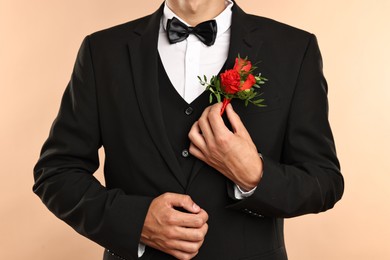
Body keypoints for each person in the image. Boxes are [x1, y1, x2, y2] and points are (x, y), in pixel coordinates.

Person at [33, 0, 344, 259]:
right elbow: (56, 172)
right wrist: (136, 222)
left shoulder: (294, 48)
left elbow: (325, 181)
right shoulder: (102, 51)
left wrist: (254, 175)